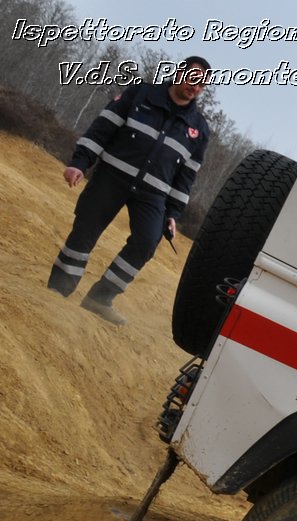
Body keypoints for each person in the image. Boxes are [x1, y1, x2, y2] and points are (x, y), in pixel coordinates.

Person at [46, 57, 212, 326]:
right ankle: (58, 290)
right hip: (111, 178)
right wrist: (81, 162)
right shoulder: (140, 94)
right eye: (192, 78)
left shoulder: (199, 130)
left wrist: (173, 213)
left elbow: (186, 176)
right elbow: (102, 128)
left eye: (202, 84)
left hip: (152, 195)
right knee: (84, 232)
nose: (195, 86)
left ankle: (100, 299)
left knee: (147, 242)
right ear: (179, 73)